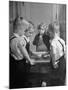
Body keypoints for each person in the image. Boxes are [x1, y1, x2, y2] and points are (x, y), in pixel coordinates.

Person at [9, 16, 35, 89]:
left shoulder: (12, 38)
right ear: (19, 29)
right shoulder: (19, 39)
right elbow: (24, 51)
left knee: (15, 80)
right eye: (24, 30)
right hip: (20, 63)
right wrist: (29, 60)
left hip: (13, 62)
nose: (24, 32)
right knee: (21, 79)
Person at [47, 21, 66, 86]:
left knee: (54, 80)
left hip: (56, 62)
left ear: (52, 32)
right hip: (62, 61)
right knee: (61, 78)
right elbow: (64, 51)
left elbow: (53, 54)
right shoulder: (62, 40)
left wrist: (54, 63)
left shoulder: (53, 42)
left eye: (49, 32)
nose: (49, 34)